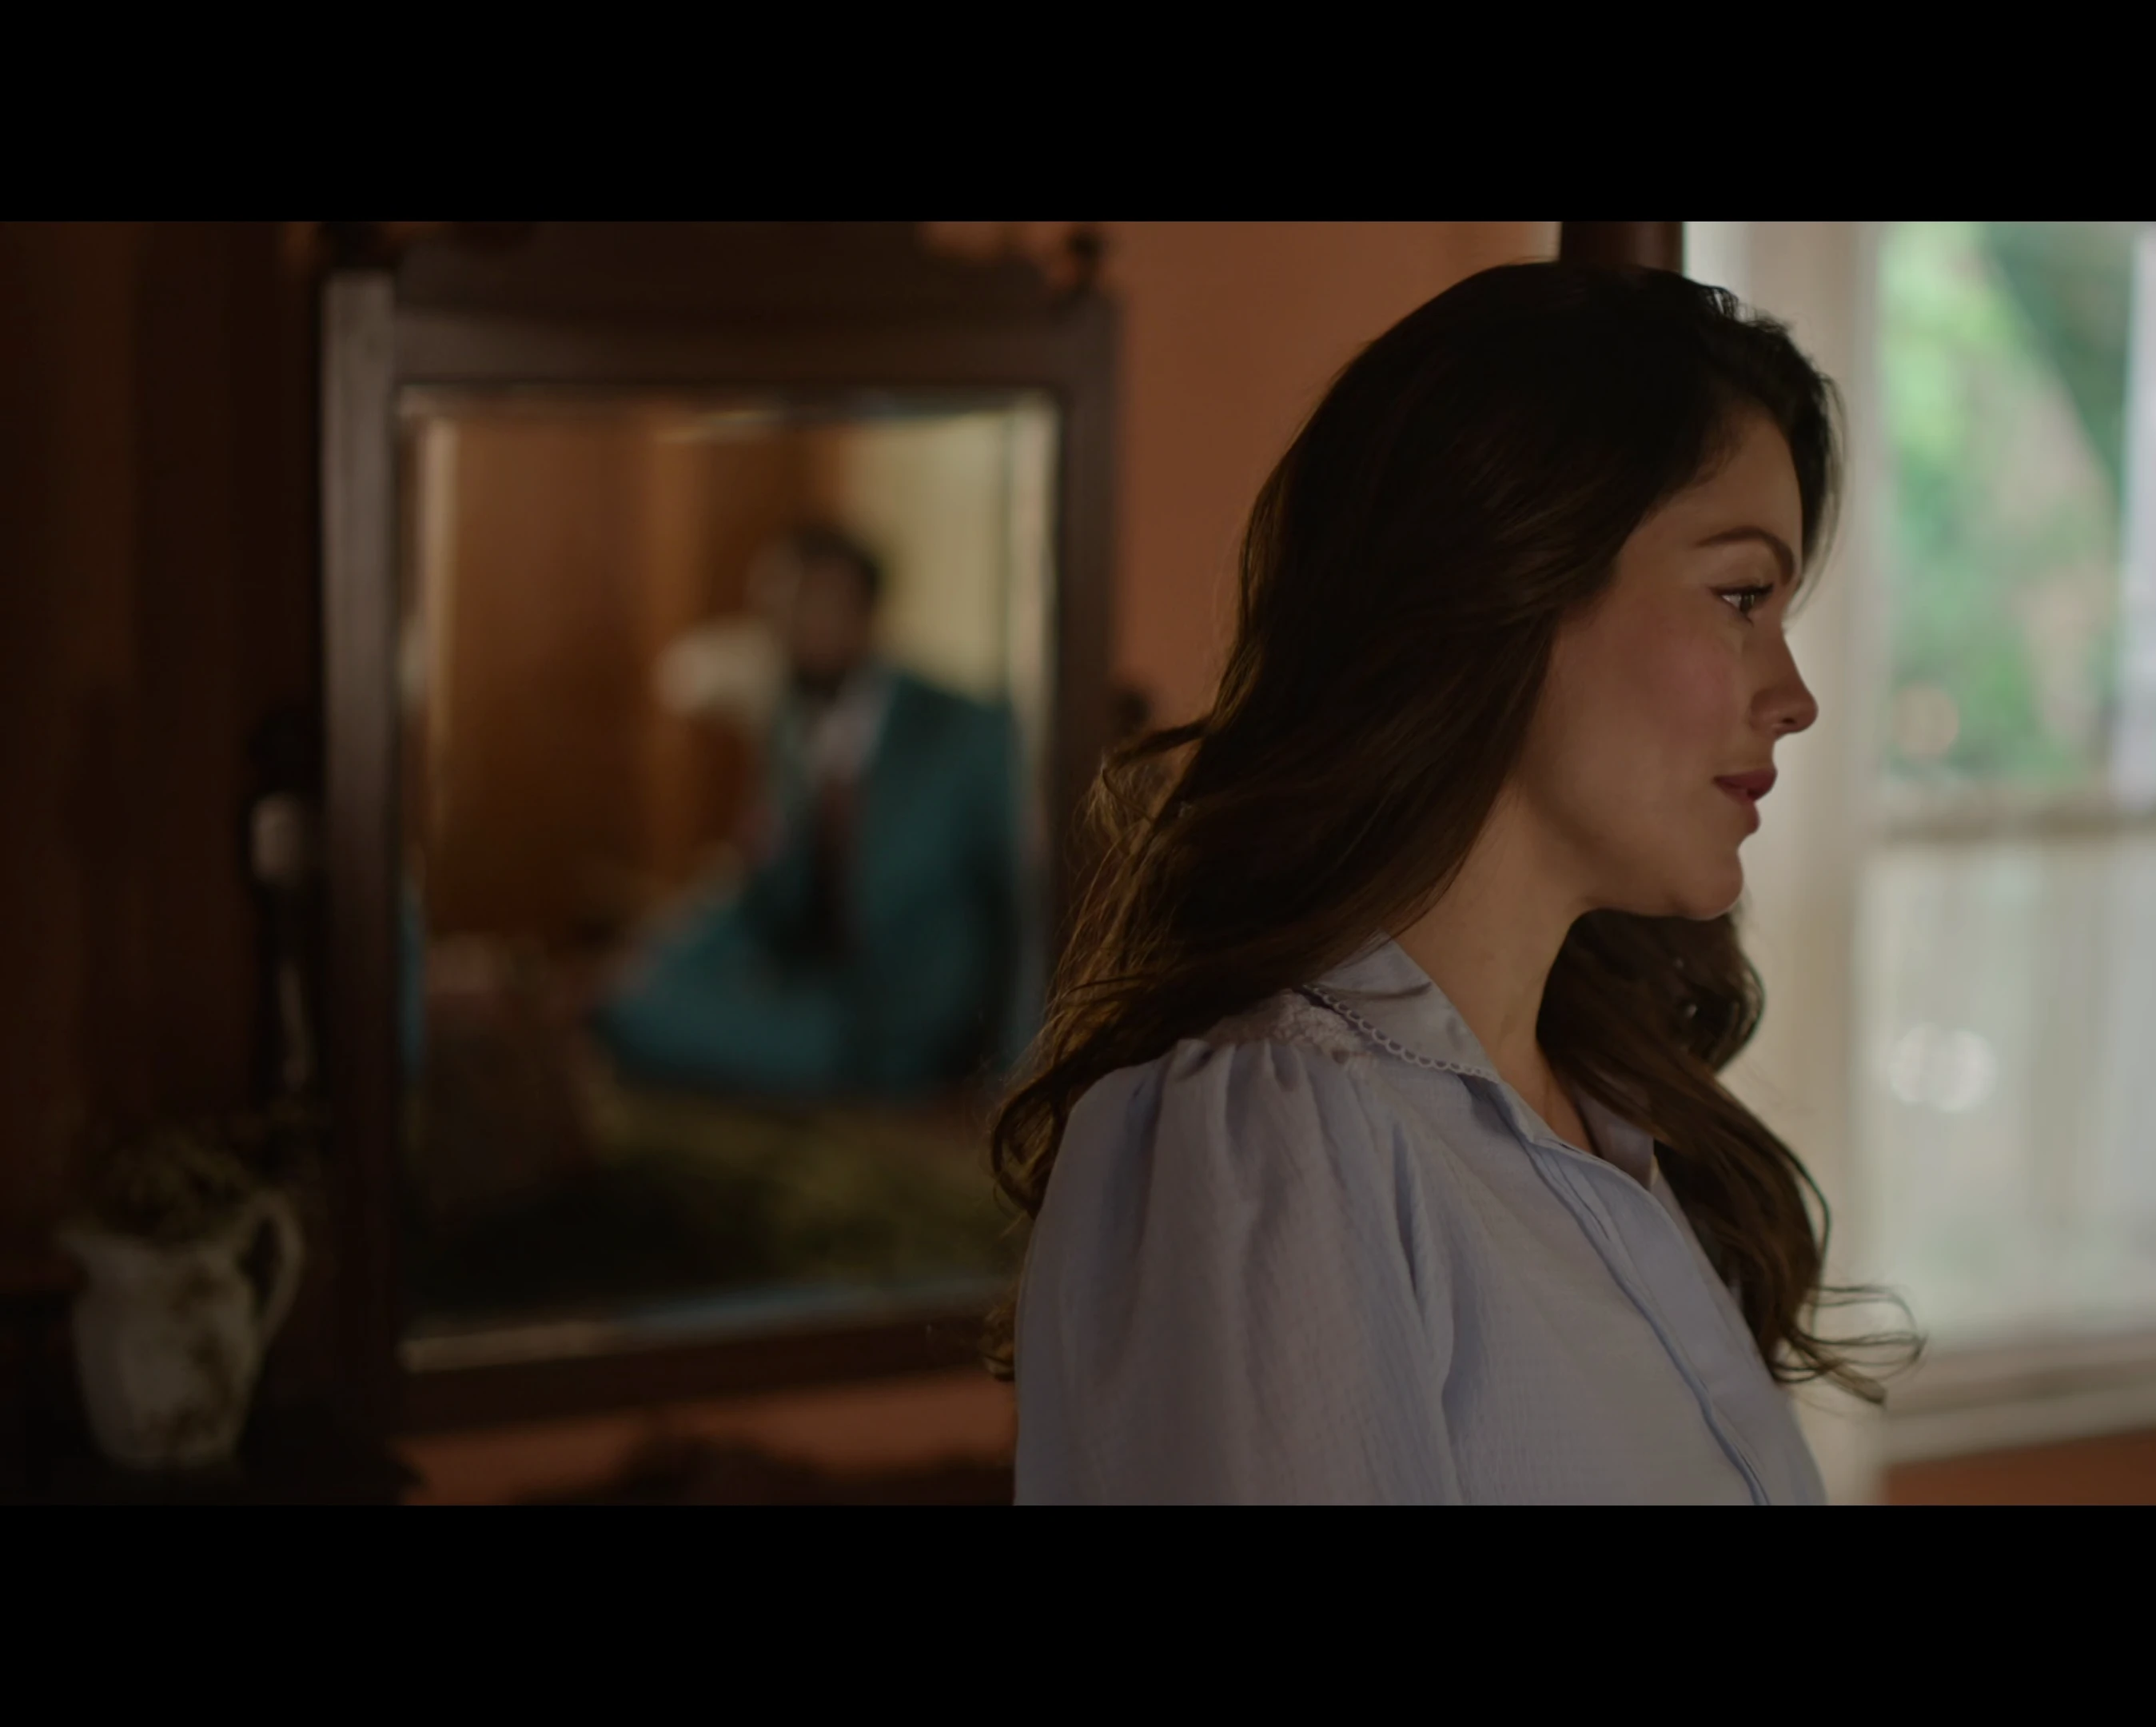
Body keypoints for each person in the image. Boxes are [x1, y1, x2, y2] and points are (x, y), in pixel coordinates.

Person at [996, 262, 1903, 1504]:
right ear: (1508, 578)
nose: (1794, 698)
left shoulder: (1621, 1129)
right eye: (1741, 596)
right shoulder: (1279, 1143)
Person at [594, 527, 1025, 1100]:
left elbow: (1017, 900)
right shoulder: (790, 725)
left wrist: (1015, 1063)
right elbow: (761, 887)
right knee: (634, 1004)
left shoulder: (961, 729)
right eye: (778, 610)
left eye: (813, 606)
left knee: (646, 1023)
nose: (792, 629)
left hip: (906, 1019)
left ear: (865, 614)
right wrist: (651, 962)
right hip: (814, 992)